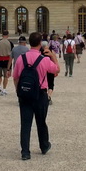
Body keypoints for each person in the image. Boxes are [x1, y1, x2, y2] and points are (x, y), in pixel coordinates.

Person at [12, 32, 60, 160]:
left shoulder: (21, 59)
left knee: (25, 123)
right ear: (40, 44)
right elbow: (56, 70)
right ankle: (44, 146)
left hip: (25, 94)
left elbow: (15, 77)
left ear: (29, 43)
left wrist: (19, 92)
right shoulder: (44, 60)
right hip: (40, 94)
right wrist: (53, 56)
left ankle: (25, 152)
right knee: (41, 122)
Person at [0, 30, 14, 96]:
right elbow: (12, 53)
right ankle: (4, 89)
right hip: (7, 60)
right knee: (6, 76)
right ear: (8, 35)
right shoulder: (10, 43)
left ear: (2, 35)